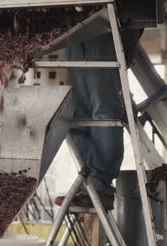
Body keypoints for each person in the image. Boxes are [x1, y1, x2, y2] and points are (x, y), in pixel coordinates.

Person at [55, 26, 143, 210]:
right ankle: (86, 182)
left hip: (108, 23)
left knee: (103, 109)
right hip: (76, 26)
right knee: (77, 111)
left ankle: (100, 185)